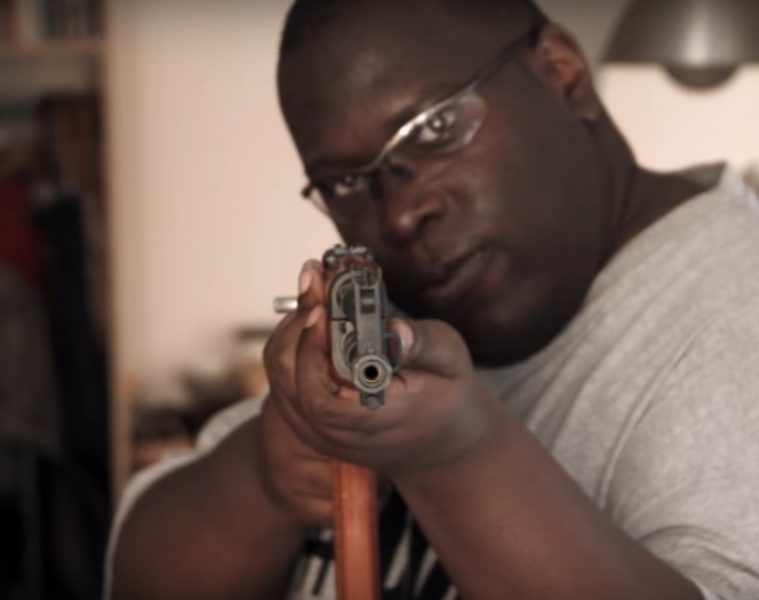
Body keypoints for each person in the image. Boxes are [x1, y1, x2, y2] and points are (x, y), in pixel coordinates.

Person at [106, 0, 759, 598]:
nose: (399, 215)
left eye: (435, 126)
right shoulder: (404, 307)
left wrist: (455, 455)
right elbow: (135, 578)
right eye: (343, 183)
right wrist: (263, 476)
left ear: (563, 73)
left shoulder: (737, 311)